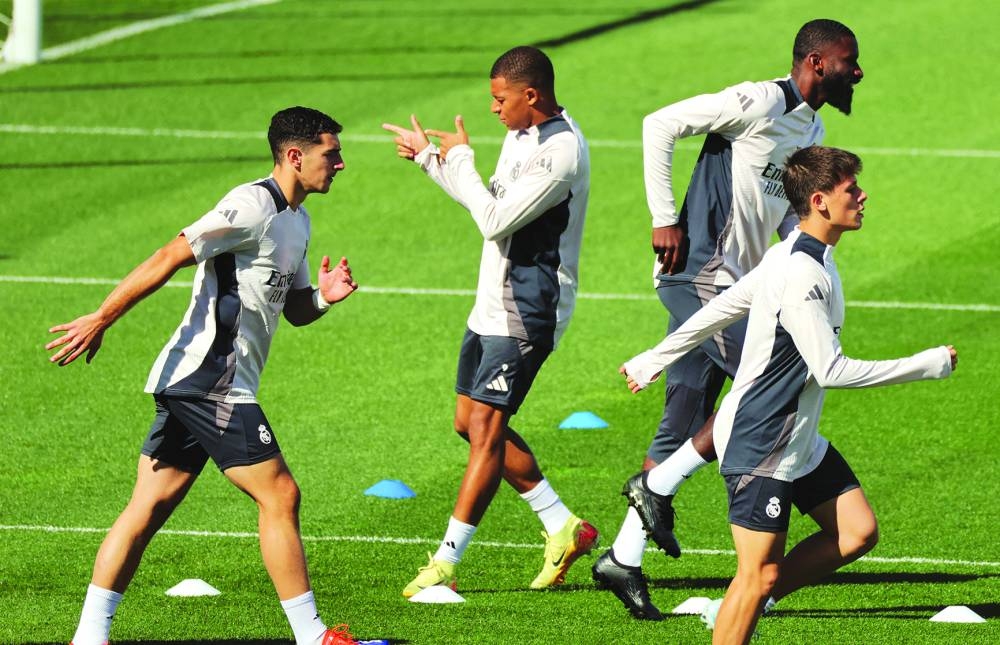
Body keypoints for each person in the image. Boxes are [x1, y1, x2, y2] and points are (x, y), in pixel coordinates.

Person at [48, 107, 362, 645]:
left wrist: (324, 299)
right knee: (281, 494)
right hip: (211, 380)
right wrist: (102, 316)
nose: (340, 164)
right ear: (295, 155)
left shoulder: (298, 221)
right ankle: (313, 637)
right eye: (330, 154)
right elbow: (171, 252)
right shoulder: (251, 205)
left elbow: (294, 310)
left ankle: (88, 636)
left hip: (197, 383)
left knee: (148, 507)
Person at [620, 145, 957, 644]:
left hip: (796, 438)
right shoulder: (801, 274)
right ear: (820, 201)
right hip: (763, 444)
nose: (863, 196)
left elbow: (724, 306)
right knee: (756, 575)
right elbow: (832, 369)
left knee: (856, 532)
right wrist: (927, 365)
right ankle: (748, 604)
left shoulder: (798, 253)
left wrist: (654, 358)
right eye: (851, 190)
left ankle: (756, 602)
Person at [592, 19, 865, 620]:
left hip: (738, 289)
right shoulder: (758, 101)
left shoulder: (811, 127)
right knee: (764, 385)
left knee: (679, 423)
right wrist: (664, 216)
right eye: (849, 61)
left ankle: (623, 557)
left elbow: (790, 219)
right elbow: (658, 124)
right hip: (698, 277)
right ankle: (658, 488)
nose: (858, 71)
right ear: (817, 63)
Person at [382, 45, 597, 596]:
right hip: (490, 301)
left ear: (532, 95)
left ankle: (447, 562)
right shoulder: (519, 135)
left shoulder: (562, 152)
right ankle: (562, 526)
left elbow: (494, 220)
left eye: (500, 99)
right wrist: (434, 161)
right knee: (467, 420)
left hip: (527, 309)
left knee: (486, 431)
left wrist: (459, 160)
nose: (493, 109)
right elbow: (492, 204)